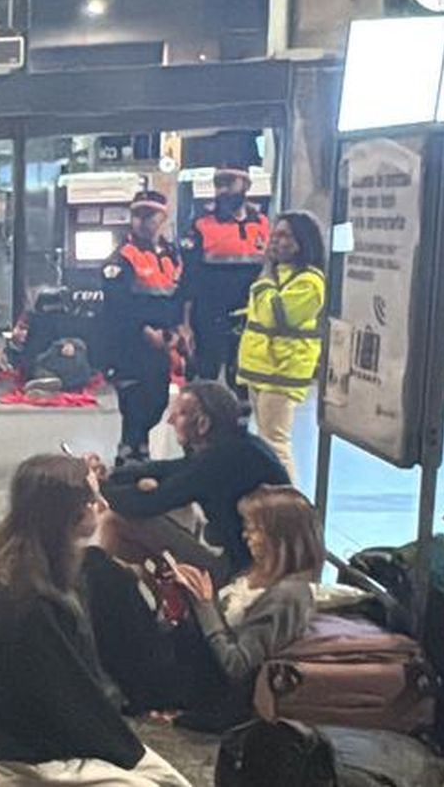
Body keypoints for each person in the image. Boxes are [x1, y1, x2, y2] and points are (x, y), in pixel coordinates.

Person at [0, 454, 190, 787]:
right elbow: (66, 700)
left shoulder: (33, 566)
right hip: (26, 753)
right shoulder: (28, 597)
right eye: (92, 499)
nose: (102, 504)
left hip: (25, 735)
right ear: (65, 513)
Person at [87, 487, 321, 731]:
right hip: (183, 655)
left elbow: (237, 666)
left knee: (101, 572)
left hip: (192, 681)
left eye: (255, 529)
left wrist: (205, 604)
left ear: (278, 537)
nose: (246, 535)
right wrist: (183, 596)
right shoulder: (258, 573)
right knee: (104, 572)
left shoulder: (287, 596)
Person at [100, 381, 290, 584]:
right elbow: (171, 468)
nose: (171, 420)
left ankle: (111, 593)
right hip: (265, 561)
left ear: (203, 424)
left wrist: (99, 487)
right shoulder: (241, 446)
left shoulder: (216, 461)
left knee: (115, 519)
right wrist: (113, 474)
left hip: (240, 569)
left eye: (180, 414)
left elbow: (146, 504)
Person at [236, 210, 326, 483]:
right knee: (264, 441)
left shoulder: (309, 281)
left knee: (275, 441)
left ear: (302, 242)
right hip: (259, 369)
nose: (276, 241)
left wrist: (264, 281)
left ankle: (288, 504)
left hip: (283, 371)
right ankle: (270, 495)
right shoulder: (276, 276)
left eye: (285, 235)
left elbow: (276, 315)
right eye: (274, 234)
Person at [101, 189, 182, 465]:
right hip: (131, 345)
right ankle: (130, 459)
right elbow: (117, 306)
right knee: (134, 405)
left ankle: (138, 451)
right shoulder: (122, 257)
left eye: (149, 215)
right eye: (137, 215)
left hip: (161, 344)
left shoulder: (171, 254)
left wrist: (176, 330)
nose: (142, 221)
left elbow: (175, 295)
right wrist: (145, 331)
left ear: (163, 218)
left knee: (157, 402)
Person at [180, 167, 269, 391]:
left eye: (229, 183)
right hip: (210, 314)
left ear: (246, 186)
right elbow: (189, 277)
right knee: (205, 377)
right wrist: (186, 322)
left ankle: (241, 421)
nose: (222, 190)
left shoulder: (261, 224)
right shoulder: (201, 225)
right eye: (218, 184)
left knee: (244, 378)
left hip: (249, 314)